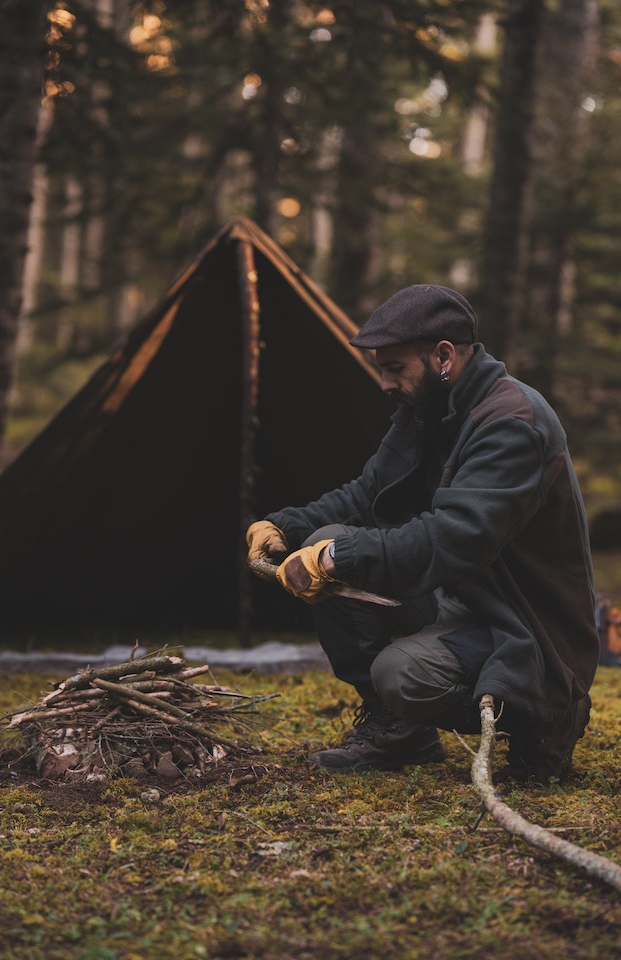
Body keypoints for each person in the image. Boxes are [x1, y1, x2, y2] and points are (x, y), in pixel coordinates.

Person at [246, 284, 599, 782]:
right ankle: (401, 733)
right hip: (465, 598)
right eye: (381, 369)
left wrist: (332, 559)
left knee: (401, 670)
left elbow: (451, 539)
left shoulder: (512, 422)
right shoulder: (430, 408)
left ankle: (547, 718)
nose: (386, 383)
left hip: (527, 626)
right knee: (324, 535)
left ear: (443, 356)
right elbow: (369, 493)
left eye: (395, 369)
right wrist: (285, 526)